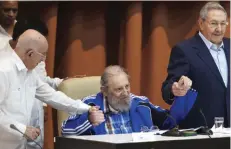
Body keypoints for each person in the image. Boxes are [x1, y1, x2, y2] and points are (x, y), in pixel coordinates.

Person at [0, 29, 100, 149]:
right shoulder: (3, 71)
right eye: (43, 55)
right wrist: (22, 129)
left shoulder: (30, 73)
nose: (43, 60)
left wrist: (86, 108)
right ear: (30, 53)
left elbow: (52, 96)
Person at [61, 65, 197, 136]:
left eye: (127, 86)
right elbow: (65, 131)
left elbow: (169, 122)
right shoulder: (89, 105)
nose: (126, 93)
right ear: (104, 91)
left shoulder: (141, 103)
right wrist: (89, 120)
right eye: (119, 89)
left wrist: (182, 95)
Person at [161, 2, 230, 129]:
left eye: (223, 23)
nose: (219, 29)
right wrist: (174, 89)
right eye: (214, 23)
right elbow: (168, 86)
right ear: (201, 23)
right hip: (200, 131)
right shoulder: (184, 50)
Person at [4, 19, 64, 149]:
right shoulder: (4, 63)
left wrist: (62, 83)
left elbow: (41, 81)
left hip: (34, 122)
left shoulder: (37, 56)